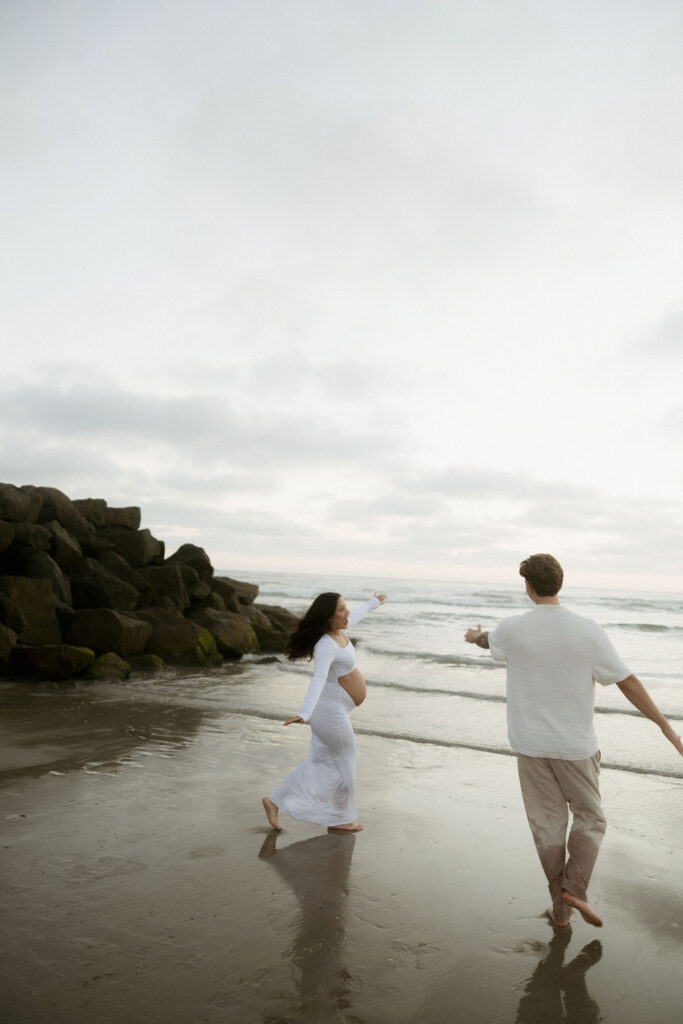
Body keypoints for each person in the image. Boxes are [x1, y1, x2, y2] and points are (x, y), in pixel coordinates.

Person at [465, 553, 682, 929]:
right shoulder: (587, 630)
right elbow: (626, 680)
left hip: (529, 745)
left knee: (547, 825)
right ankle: (574, 891)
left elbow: (489, 641)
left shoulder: (514, 628)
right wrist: (664, 725)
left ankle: (561, 909)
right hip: (575, 747)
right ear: (559, 583)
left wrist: (473, 637)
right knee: (591, 818)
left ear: (528, 588)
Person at [262, 590, 387, 833]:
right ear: (328, 617)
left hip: (334, 710)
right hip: (329, 713)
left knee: (322, 762)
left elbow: (356, 616)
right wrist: (305, 713)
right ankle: (340, 819)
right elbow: (318, 679)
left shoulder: (339, 632)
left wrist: (373, 604)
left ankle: (274, 800)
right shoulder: (326, 645)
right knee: (345, 760)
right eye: (341, 609)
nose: (347, 612)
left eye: (345, 607)